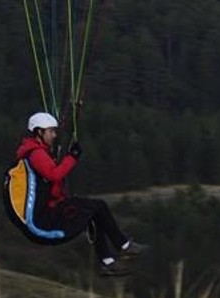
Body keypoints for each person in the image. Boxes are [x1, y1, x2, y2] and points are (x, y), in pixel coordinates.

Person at [16, 112, 147, 276]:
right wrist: (72, 158)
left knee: (93, 213)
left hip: (51, 208)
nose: (54, 135)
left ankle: (108, 262)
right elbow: (54, 175)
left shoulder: (37, 152)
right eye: (51, 131)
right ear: (39, 132)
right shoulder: (36, 154)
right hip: (46, 217)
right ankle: (124, 246)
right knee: (99, 207)